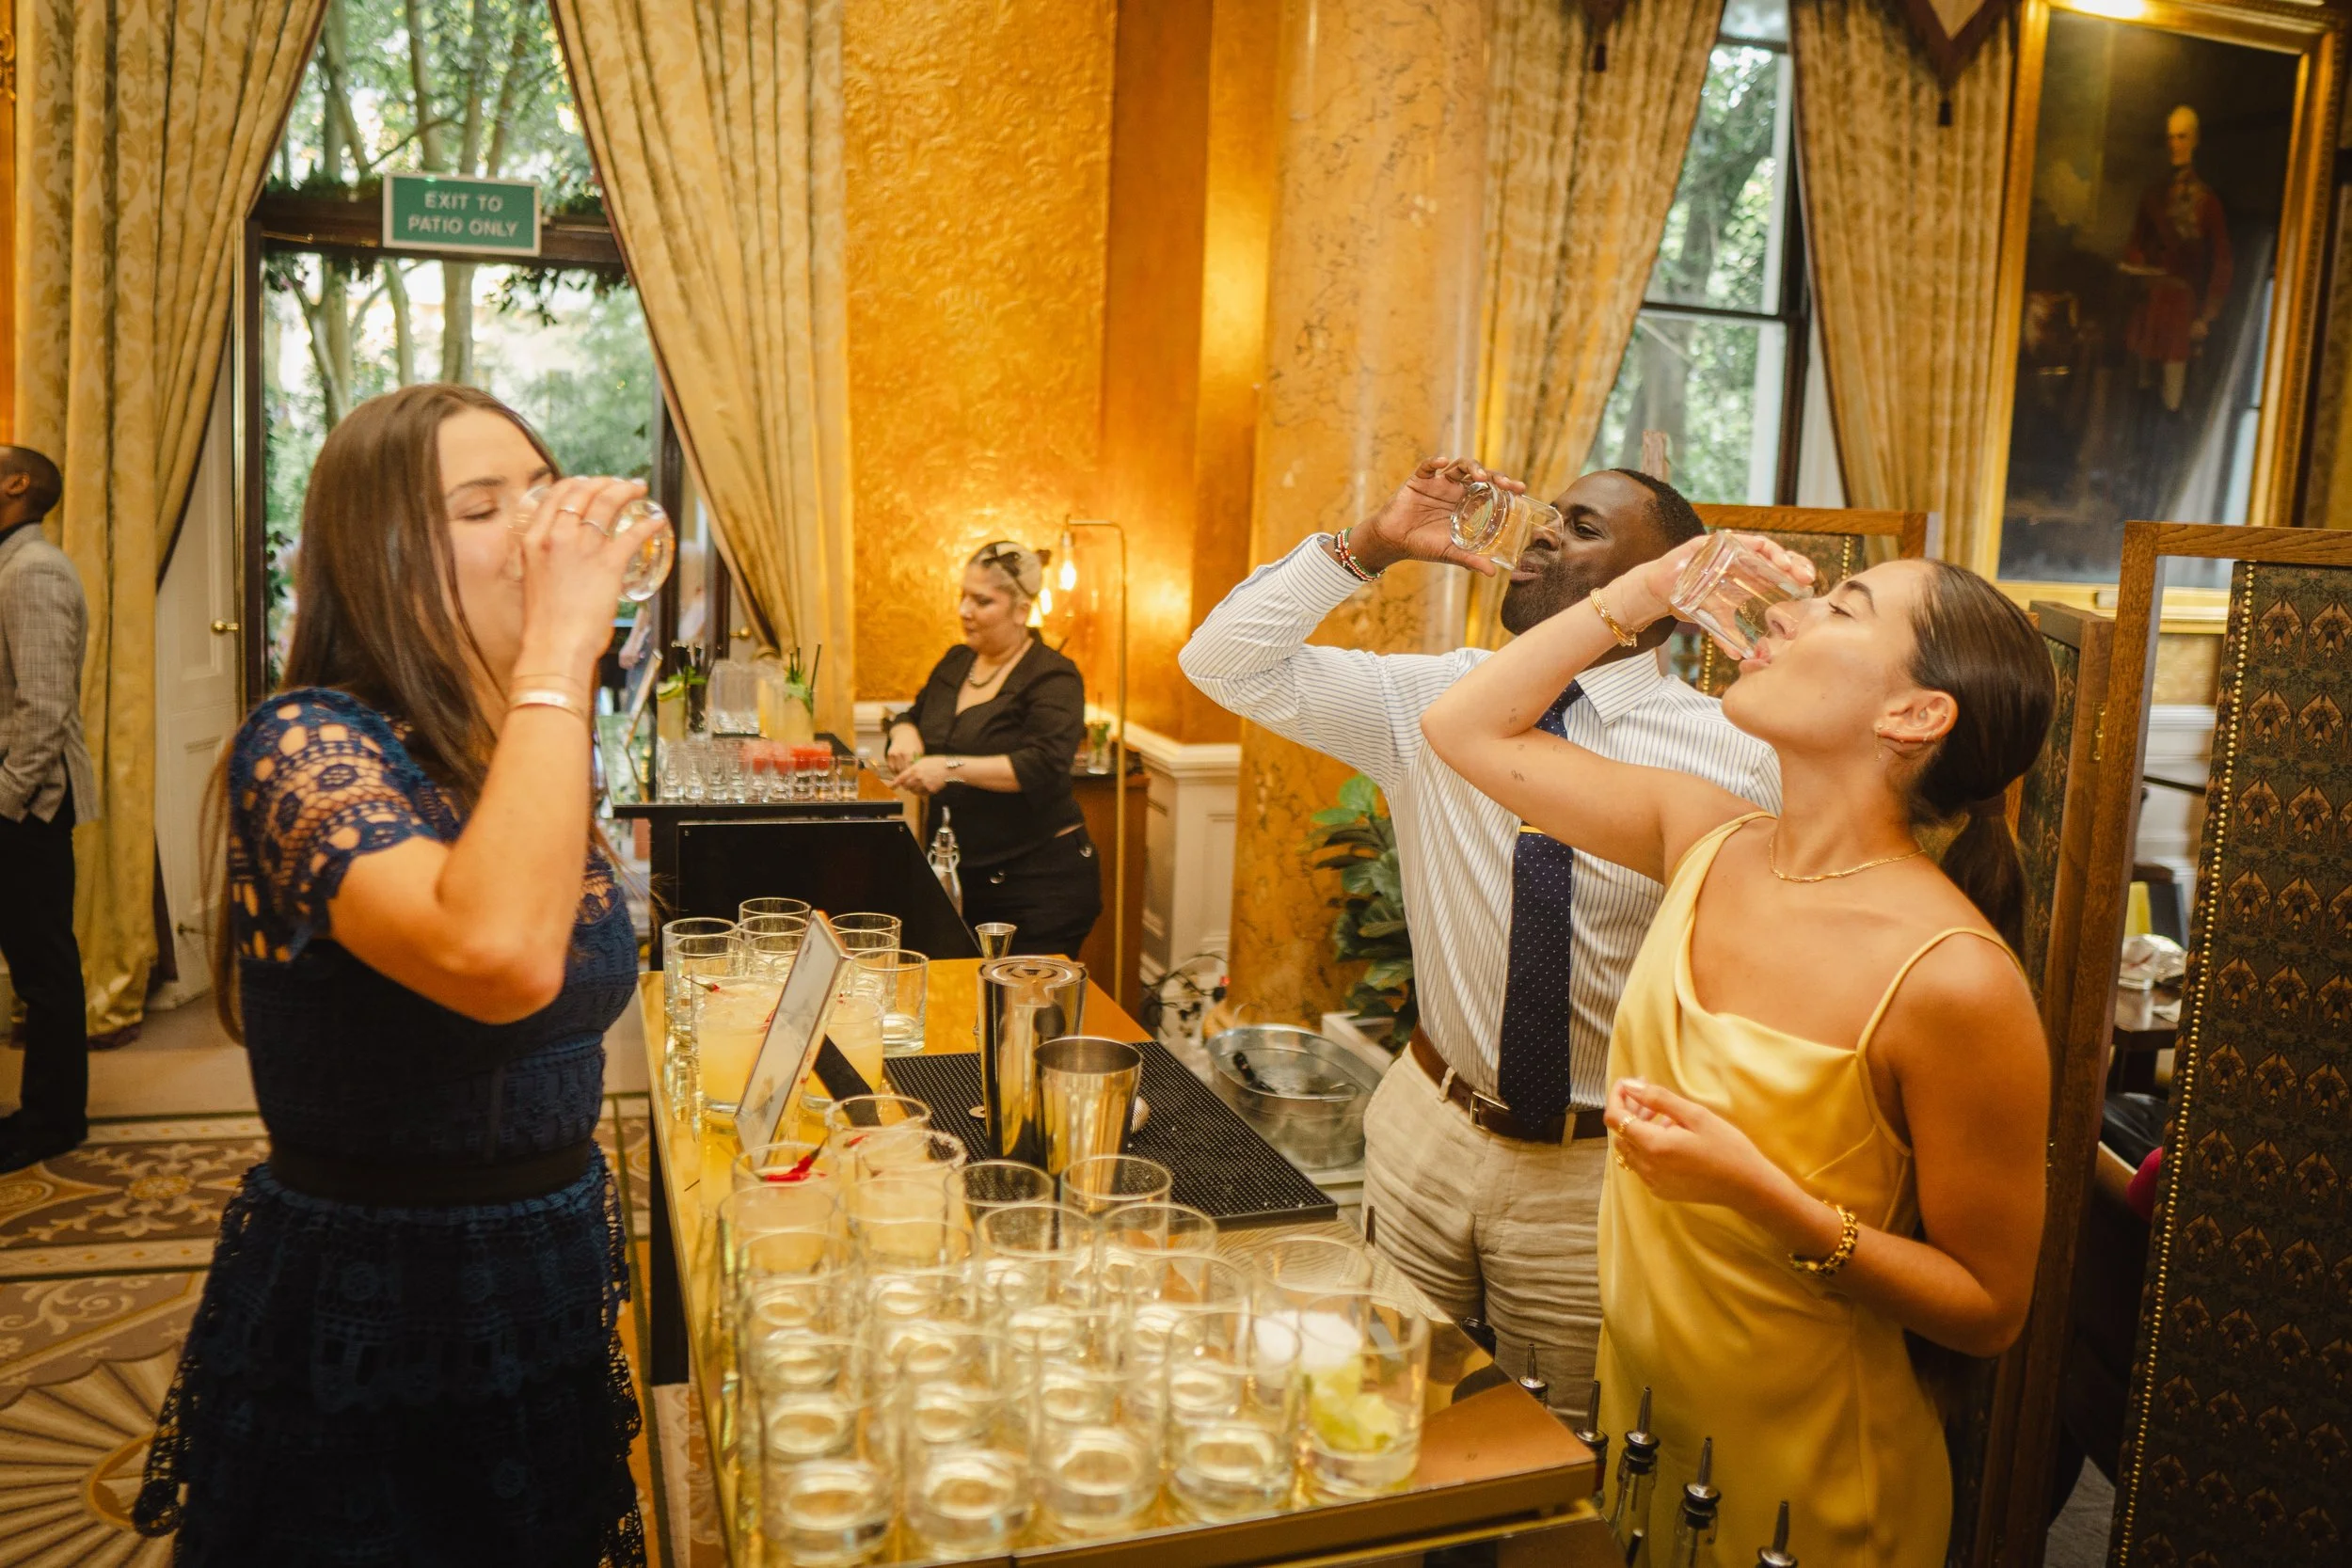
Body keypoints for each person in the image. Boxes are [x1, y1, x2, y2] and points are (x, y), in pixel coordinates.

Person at [1422, 535, 2053, 1565]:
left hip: (1815, 1471)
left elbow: (1988, 1309)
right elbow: (1462, 725)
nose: (1784, 615)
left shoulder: (1954, 978)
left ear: (1914, 714)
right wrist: (1648, 587)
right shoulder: (1703, 837)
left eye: (1841, 609)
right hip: (1646, 1415)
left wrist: (1762, 1195)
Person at [135, 385, 652, 1564]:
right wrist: (562, 648)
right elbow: (498, 955)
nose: (539, 527)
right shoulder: (305, 741)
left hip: (545, 1271)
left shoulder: (506, 748)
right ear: (380, 558)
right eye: (482, 507)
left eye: (541, 491)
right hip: (378, 1300)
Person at [1181, 459, 1778, 1404]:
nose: (1541, 530)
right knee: (1387, 1396)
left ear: (1661, 589)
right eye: (1550, 513)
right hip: (1427, 1125)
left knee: (1560, 1435)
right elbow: (1222, 662)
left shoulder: (1736, 752)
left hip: (1595, 1167)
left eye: (1582, 527)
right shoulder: (1434, 698)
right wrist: (1372, 543)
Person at [883, 542, 1101, 958]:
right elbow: (914, 713)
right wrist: (904, 730)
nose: (964, 610)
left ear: (1021, 610)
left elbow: (1042, 765)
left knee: (1018, 998)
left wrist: (949, 768)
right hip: (961, 875)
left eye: (982, 601)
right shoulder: (956, 661)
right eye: (963, 596)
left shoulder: (1054, 677)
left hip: (1037, 885)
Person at [0, 443, 97, 1175]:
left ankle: (54, 1122)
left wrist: (4, 803)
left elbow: (43, 708)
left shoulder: (33, 570)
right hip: (17, 801)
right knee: (36, 959)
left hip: (28, 806)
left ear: (16, 483)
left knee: (44, 969)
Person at [2122, 103, 2232, 416]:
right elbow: (2133, 246)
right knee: (2138, 400)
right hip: (2149, 305)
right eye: (2170, 137)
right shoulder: (2152, 196)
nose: (2174, 144)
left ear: (2194, 139)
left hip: (2182, 310)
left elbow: (2222, 262)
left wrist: (2206, 317)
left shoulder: (2207, 202)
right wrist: (2141, 258)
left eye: (2182, 137)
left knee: (2172, 403)